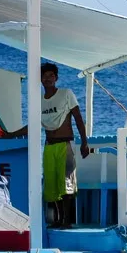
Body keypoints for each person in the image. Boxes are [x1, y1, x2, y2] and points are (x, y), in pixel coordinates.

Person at [39, 63, 89, 228]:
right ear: (40, 79)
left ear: (56, 78)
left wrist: (84, 142)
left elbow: (78, 118)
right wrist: (11, 134)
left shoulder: (66, 94)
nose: (47, 79)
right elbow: (32, 123)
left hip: (64, 145)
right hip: (49, 145)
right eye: (44, 76)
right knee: (52, 186)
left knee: (67, 184)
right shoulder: (38, 100)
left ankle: (67, 221)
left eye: (51, 75)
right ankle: (59, 219)